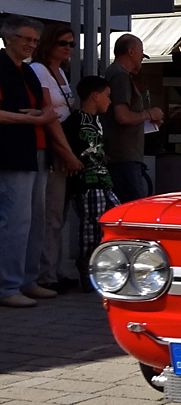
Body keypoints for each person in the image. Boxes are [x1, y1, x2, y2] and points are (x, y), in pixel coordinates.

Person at [0, 15, 62, 307]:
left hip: (38, 151)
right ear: (8, 38)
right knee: (16, 221)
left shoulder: (28, 72)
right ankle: (7, 286)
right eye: (26, 38)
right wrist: (28, 118)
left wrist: (36, 116)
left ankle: (27, 281)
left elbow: (44, 109)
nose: (31, 44)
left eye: (35, 40)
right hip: (12, 153)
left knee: (36, 220)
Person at [30, 23, 85, 293]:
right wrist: (67, 153)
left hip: (65, 148)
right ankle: (45, 273)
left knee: (59, 216)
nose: (68, 49)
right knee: (50, 215)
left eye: (72, 44)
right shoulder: (39, 70)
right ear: (49, 44)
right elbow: (48, 115)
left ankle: (54, 269)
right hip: (54, 148)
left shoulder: (62, 73)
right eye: (64, 43)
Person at [63, 76, 119, 291]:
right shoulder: (75, 121)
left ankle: (103, 263)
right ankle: (87, 268)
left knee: (115, 216)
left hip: (104, 180)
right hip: (86, 183)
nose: (109, 101)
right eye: (107, 96)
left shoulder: (97, 121)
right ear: (95, 96)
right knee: (91, 226)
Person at [102, 34, 163, 203]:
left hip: (121, 155)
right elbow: (122, 116)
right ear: (131, 51)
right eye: (141, 53)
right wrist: (149, 114)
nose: (142, 58)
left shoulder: (115, 73)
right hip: (123, 156)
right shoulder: (120, 76)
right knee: (131, 208)